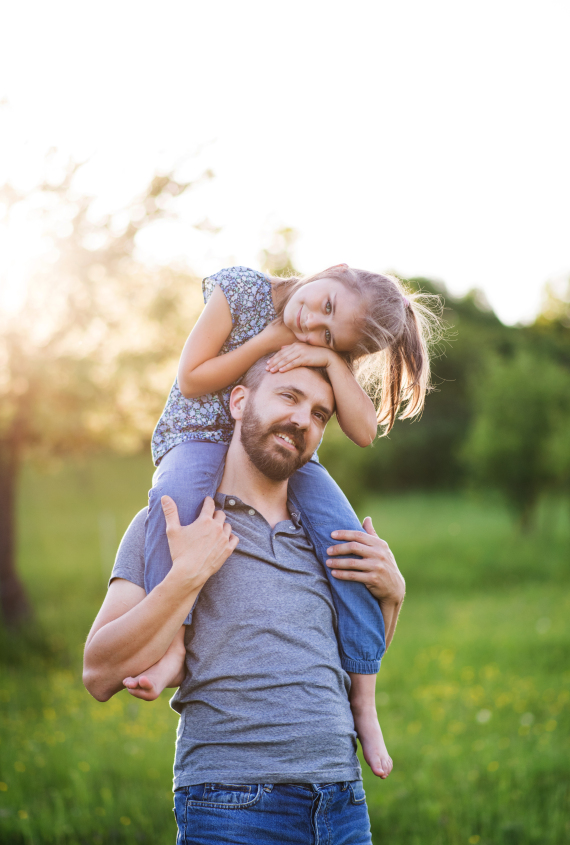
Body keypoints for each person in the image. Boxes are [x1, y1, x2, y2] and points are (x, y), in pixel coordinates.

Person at [83, 360, 405, 845]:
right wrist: (184, 577)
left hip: (342, 808)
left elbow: (350, 661)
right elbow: (98, 672)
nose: (302, 419)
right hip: (231, 815)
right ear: (238, 402)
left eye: (319, 413)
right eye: (288, 397)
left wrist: (392, 597)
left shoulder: (330, 540)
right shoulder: (170, 524)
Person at [138, 264, 438, 778]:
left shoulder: (322, 347)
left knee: (350, 542)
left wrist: (327, 357)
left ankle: (362, 696)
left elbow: (364, 432)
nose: (311, 325)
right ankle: (173, 647)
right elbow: (192, 380)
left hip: (275, 445)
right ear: (332, 271)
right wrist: (271, 339)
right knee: (170, 502)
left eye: (327, 333)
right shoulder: (241, 292)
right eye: (325, 306)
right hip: (197, 435)